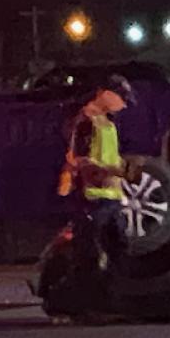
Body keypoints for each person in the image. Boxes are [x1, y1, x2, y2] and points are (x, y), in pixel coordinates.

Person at [56, 75, 134, 267]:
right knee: (92, 256)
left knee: (118, 255)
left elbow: (107, 156)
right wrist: (113, 172)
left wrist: (122, 169)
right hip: (93, 201)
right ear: (104, 93)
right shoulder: (86, 122)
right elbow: (81, 162)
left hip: (109, 199)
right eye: (121, 97)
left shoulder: (106, 123)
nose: (123, 105)